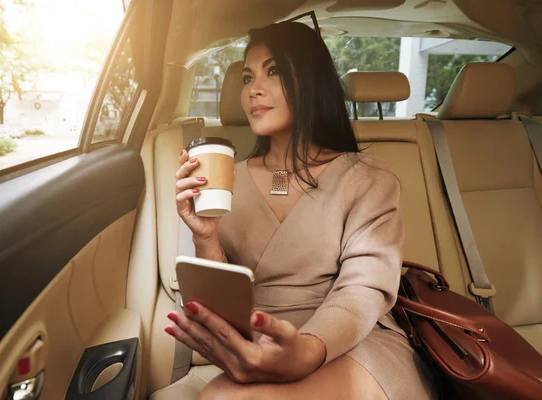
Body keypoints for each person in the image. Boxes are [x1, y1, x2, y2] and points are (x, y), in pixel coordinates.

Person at [164, 21, 438, 399]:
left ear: (311, 81)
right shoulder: (226, 179)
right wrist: (204, 234)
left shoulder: (366, 177)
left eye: (273, 71)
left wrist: (307, 349)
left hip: (351, 342)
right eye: (247, 78)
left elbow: (364, 288)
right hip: (261, 345)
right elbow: (226, 303)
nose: (254, 89)